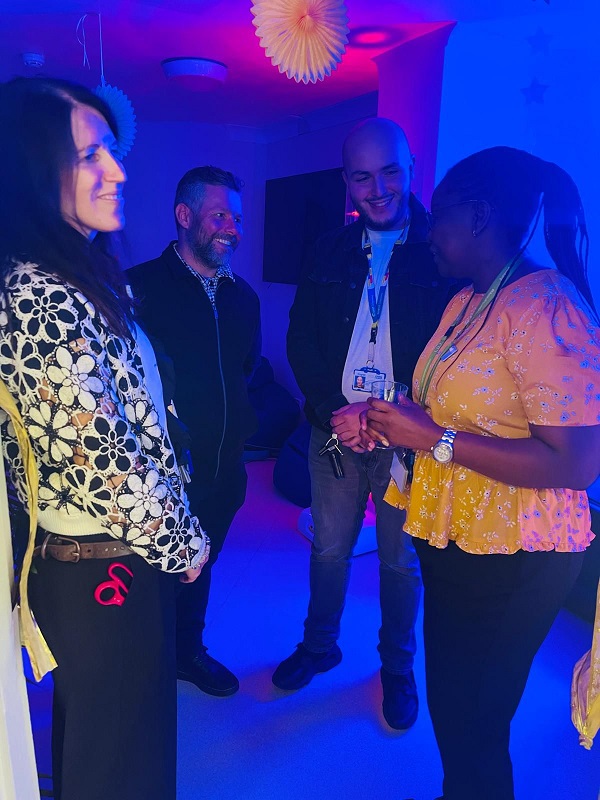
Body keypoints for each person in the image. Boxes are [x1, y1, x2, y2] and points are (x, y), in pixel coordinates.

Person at [359, 146, 600, 799]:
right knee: (452, 706)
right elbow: (455, 408)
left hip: (516, 554)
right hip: (456, 535)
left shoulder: (547, 307)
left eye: (437, 215)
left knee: (475, 725)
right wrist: (390, 417)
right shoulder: (466, 300)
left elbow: (578, 463)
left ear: (479, 215)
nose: (427, 230)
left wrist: (432, 439)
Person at [0, 76, 210, 800]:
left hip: (115, 555)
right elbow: (104, 463)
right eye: (90, 154)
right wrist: (183, 542)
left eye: (112, 151)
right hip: (101, 563)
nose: (117, 170)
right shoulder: (40, 294)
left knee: (120, 743)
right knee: (115, 760)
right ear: (34, 167)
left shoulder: (76, 276)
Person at [274, 117, 453, 730]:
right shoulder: (326, 249)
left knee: (402, 562)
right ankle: (320, 646)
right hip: (336, 430)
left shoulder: (443, 251)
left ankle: (397, 667)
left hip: (408, 439)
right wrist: (335, 409)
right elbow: (300, 339)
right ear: (346, 182)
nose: (378, 189)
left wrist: (393, 413)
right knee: (328, 549)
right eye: (362, 177)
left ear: (411, 169)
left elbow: (452, 352)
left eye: (390, 172)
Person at [127, 166, 261, 697]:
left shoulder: (244, 299)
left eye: (238, 218)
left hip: (224, 469)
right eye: (220, 215)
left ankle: (188, 652)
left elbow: (245, 370)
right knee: (152, 576)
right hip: (160, 474)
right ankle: (144, 666)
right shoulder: (136, 290)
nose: (233, 228)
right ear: (184, 216)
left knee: (202, 563)